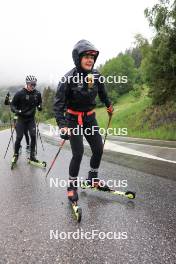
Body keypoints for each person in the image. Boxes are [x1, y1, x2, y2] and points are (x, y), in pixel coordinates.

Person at [54, 39, 114, 203]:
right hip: (73, 120)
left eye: (92, 57)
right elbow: (58, 105)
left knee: (98, 149)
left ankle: (92, 178)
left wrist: (109, 105)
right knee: (78, 153)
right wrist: (63, 126)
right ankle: (71, 186)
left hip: (90, 118)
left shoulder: (96, 75)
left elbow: (103, 93)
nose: (90, 60)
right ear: (78, 58)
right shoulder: (68, 78)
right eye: (86, 56)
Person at [11, 75, 42, 163]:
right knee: (19, 137)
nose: (33, 86)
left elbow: (40, 103)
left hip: (31, 119)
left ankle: (32, 156)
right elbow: (12, 105)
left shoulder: (37, 93)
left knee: (33, 136)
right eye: (31, 84)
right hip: (21, 119)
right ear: (27, 84)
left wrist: (40, 107)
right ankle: (16, 154)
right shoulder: (20, 93)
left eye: (34, 85)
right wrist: (16, 111)